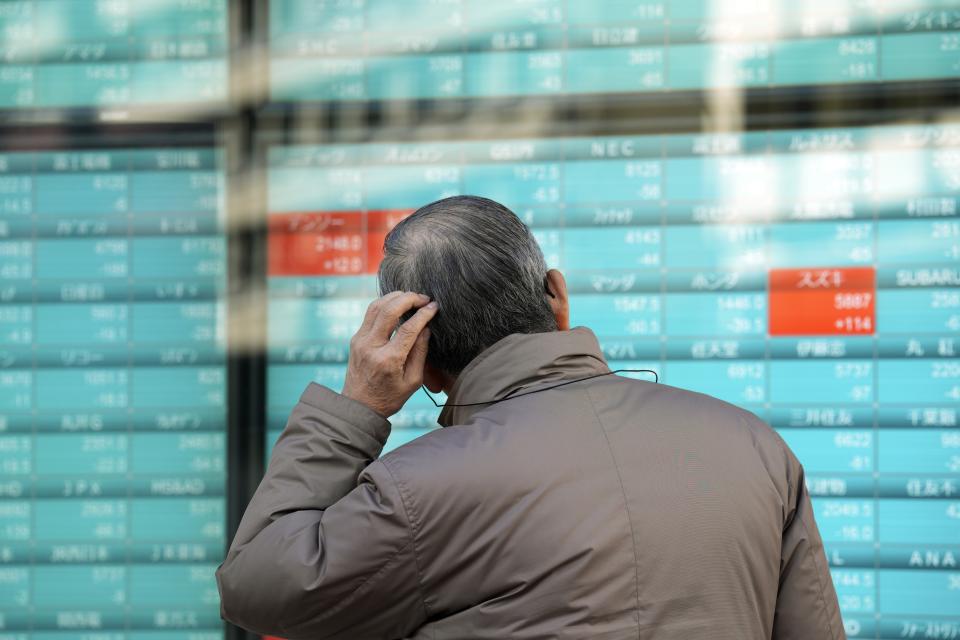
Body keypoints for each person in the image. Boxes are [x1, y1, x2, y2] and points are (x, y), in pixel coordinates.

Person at [215, 195, 845, 639]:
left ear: (419, 356)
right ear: (557, 296)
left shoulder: (414, 492)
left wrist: (354, 409)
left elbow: (258, 585)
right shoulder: (753, 445)